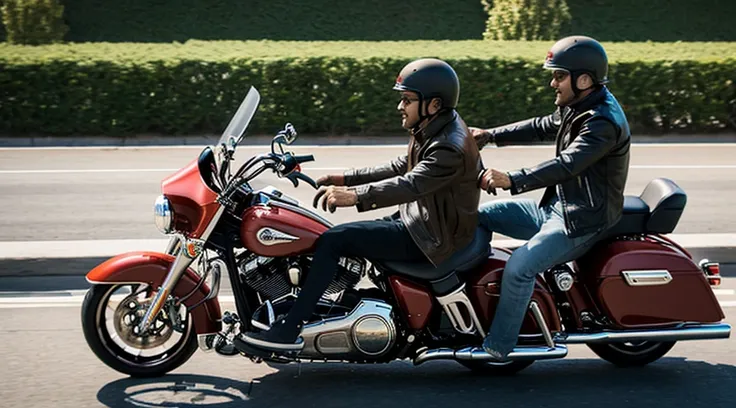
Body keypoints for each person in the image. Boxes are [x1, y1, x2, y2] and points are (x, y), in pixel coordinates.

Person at [241, 58, 483, 351]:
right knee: (339, 235)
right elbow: (401, 166)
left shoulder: (448, 146)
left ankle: (291, 327)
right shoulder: (434, 128)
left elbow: (411, 184)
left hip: (431, 238)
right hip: (424, 221)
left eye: (407, 100)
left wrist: (355, 197)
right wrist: (344, 178)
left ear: (433, 104)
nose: (400, 107)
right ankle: (337, 307)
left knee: (334, 240)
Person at [469, 36, 631, 360]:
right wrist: (490, 134)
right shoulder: (579, 106)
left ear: (583, 79)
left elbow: (568, 165)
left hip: (582, 220)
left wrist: (512, 179)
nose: (552, 82)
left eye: (559, 75)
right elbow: (542, 125)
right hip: (557, 207)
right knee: (481, 216)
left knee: (520, 266)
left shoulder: (602, 122)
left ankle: (498, 348)